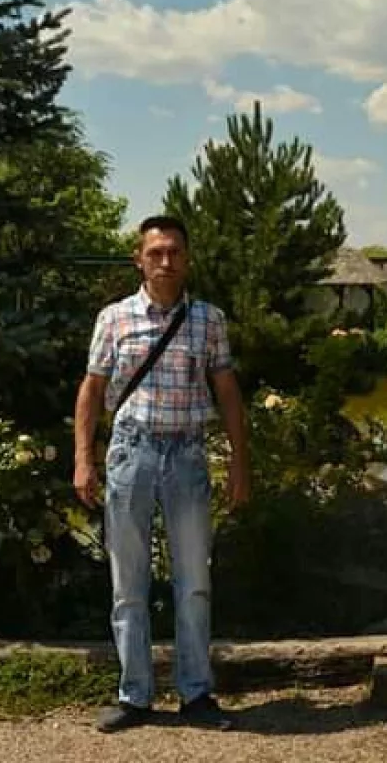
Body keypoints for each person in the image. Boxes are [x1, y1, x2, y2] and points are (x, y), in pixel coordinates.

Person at [73, 214, 250, 733]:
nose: (165, 261)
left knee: (194, 581)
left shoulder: (208, 320)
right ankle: (135, 695)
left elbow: (227, 392)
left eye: (174, 252)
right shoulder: (114, 319)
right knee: (128, 582)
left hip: (188, 456)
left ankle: (196, 694)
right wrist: (83, 458)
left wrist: (240, 462)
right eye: (156, 252)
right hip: (131, 455)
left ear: (187, 259)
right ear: (139, 259)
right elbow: (91, 390)